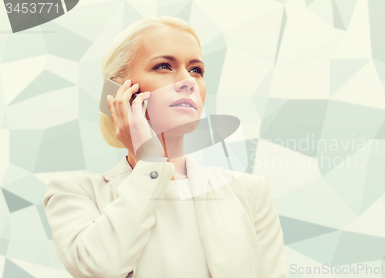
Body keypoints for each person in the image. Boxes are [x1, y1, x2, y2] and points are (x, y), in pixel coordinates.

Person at [43, 16, 288, 278]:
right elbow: (100, 268)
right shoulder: (75, 194)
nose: (188, 81)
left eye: (196, 70)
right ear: (119, 92)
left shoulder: (250, 192)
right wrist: (150, 164)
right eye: (164, 66)